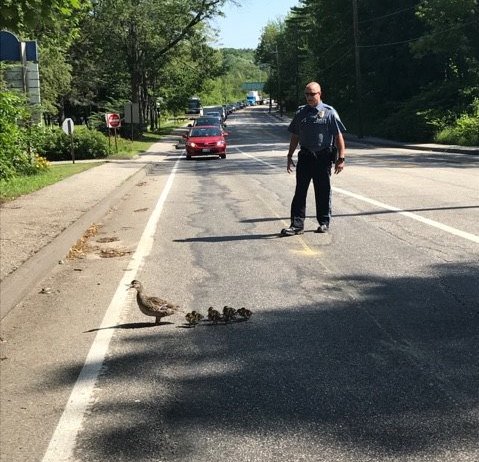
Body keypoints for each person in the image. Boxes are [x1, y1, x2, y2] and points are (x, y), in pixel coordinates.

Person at [280, 82, 346, 236]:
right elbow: (295, 135)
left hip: (323, 157)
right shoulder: (301, 113)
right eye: (307, 94)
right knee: (300, 192)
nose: (309, 97)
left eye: (312, 94)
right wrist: (289, 156)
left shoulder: (329, 112)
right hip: (305, 156)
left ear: (320, 93)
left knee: (323, 191)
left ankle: (323, 222)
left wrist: (341, 158)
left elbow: (338, 136)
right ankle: (297, 225)